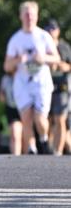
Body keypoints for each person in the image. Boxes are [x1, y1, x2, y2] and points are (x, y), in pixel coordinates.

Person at [4, 1, 59, 156]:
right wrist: (17, 61)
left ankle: (43, 138)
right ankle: (31, 149)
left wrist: (44, 58)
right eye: (26, 14)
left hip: (41, 83)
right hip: (22, 84)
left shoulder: (43, 36)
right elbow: (7, 66)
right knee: (26, 118)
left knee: (40, 119)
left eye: (32, 14)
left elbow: (56, 59)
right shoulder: (16, 39)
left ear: (37, 16)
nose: (29, 17)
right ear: (21, 16)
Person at [42, 19, 70, 156]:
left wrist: (63, 66)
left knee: (60, 119)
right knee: (46, 118)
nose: (51, 32)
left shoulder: (64, 47)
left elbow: (69, 66)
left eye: (53, 29)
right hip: (44, 86)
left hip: (61, 86)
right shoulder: (41, 46)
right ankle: (48, 148)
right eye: (48, 29)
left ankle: (58, 152)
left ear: (58, 31)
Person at [0, 72, 22, 155]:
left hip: (25, 108)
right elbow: (1, 95)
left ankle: (27, 158)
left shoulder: (24, 75)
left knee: (24, 136)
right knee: (14, 133)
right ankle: (15, 159)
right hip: (11, 109)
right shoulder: (5, 78)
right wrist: (2, 96)